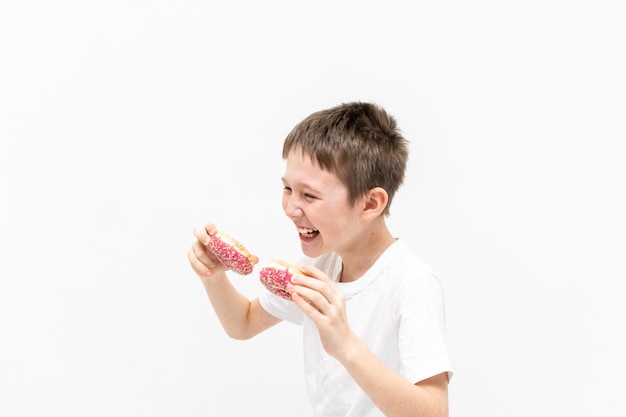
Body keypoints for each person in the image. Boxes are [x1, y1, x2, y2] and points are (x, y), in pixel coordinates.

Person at [188, 102, 453, 417]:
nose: (291, 208)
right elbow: (243, 323)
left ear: (370, 203)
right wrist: (214, 275)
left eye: (309, 195)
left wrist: (346, 345)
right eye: (287, 188)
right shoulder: (321, 267)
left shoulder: (410, 282)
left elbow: (434, 412)